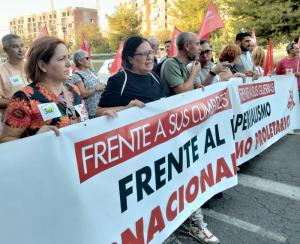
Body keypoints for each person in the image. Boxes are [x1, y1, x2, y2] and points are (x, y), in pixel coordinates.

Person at [160, 32, 220, 244]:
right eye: (197, 45)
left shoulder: (187, 66)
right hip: (172, 131)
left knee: (189, 175)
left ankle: (189, 220)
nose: (200, 49)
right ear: (187, 46)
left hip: (185, 128)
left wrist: (199, 85)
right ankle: (192, 223)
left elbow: (194, 90)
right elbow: (182, 92)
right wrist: (194, 74)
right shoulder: (171, 64)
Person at [0, 36, 89, 142]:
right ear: (42, 65)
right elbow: (5, 140)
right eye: (61, 59)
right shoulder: (23, 98)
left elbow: (82, 124)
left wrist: (103, 118)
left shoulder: (73, 90)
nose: (69, 64)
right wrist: (36, 139)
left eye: (68, 57)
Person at [97, 36, 170, 116]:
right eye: (144, 54)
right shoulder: (119, 80)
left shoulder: (153, 75)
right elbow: (98, 112)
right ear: (130, 59)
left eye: (151, 52)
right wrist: (126, 109)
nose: (150, 58)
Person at [0, 34, 27, 133]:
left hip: (37, 121)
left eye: (22, 45)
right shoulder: (1, 71)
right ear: (6, 50)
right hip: (13, 126)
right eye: (15, 46)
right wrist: (20, 104)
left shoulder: (32, 67)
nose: (21, 49)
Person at [69, 49, 105, 119]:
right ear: (80, 61)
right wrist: (96, 88)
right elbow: (83, 94)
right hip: (91, 112)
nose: (89, 60)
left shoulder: (90, 71)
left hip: (100, 108)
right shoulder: (77, 76)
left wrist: (102, 87)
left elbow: (98, 84)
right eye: (87, 58)